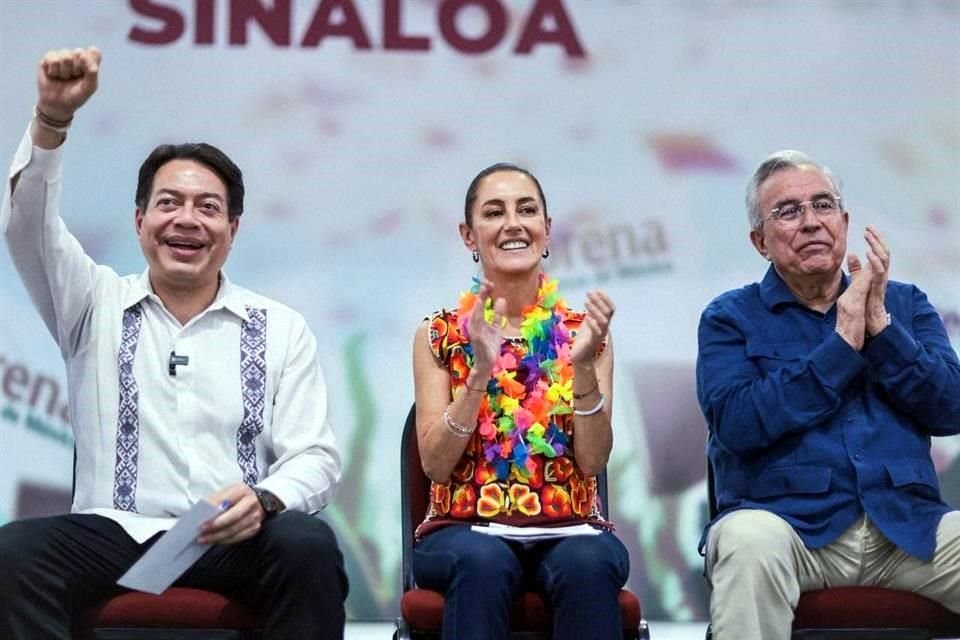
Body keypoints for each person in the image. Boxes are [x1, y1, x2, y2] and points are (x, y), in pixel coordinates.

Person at [0, 47, 347, 638]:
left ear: (232, 231)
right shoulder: (91, 302)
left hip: (233, 538)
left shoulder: (280, 326)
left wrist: (264, 501)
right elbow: (27, 227)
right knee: (14, 552)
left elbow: (314, 456)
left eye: (208, 208)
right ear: (140, 222)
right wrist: (52, 122)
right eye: (169, 204)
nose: (187, 220)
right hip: (114, 535)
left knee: (307, 544)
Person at [696, 150, 960, 639]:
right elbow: (737, 423)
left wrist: (881, 327)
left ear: (844, 220)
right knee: (744, 539)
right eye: (789, 211)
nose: (812, 222)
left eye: (823, 205)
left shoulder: (904, 303)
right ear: (760, 242)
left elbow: (951, 407)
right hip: (790, 529)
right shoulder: (729, 318)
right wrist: (841, 345)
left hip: (906, 528)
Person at [411, 163, 631, 639]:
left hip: (569, 528)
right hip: (462, 530)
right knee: (483, 562)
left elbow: (593, 461)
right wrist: (480, 374)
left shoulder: (583, 334)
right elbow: (434, 464)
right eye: (494, 212)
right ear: (470, 236)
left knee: (590, 562)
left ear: (546, 230)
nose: (513, 223)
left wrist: (586, 367)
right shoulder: (440, 334)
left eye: (526, 210)